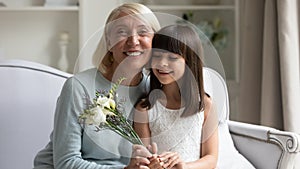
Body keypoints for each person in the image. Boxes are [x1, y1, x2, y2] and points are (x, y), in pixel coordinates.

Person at [33, 3, 161, 169]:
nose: (133, 40)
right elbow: (65, 163)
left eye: (143, 32)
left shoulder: (155, 88)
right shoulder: (78, 87)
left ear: (155, 41)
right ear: (108, 42)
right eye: (122, 32)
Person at [133, 24, 219, 169]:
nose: (162, 63)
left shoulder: (204, 105)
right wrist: (153, 163)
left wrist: (183, 166)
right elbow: (145, 159)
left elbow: (211, 159)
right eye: (157, 56)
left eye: (172, 58)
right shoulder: (144, 109)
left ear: (190, 63)